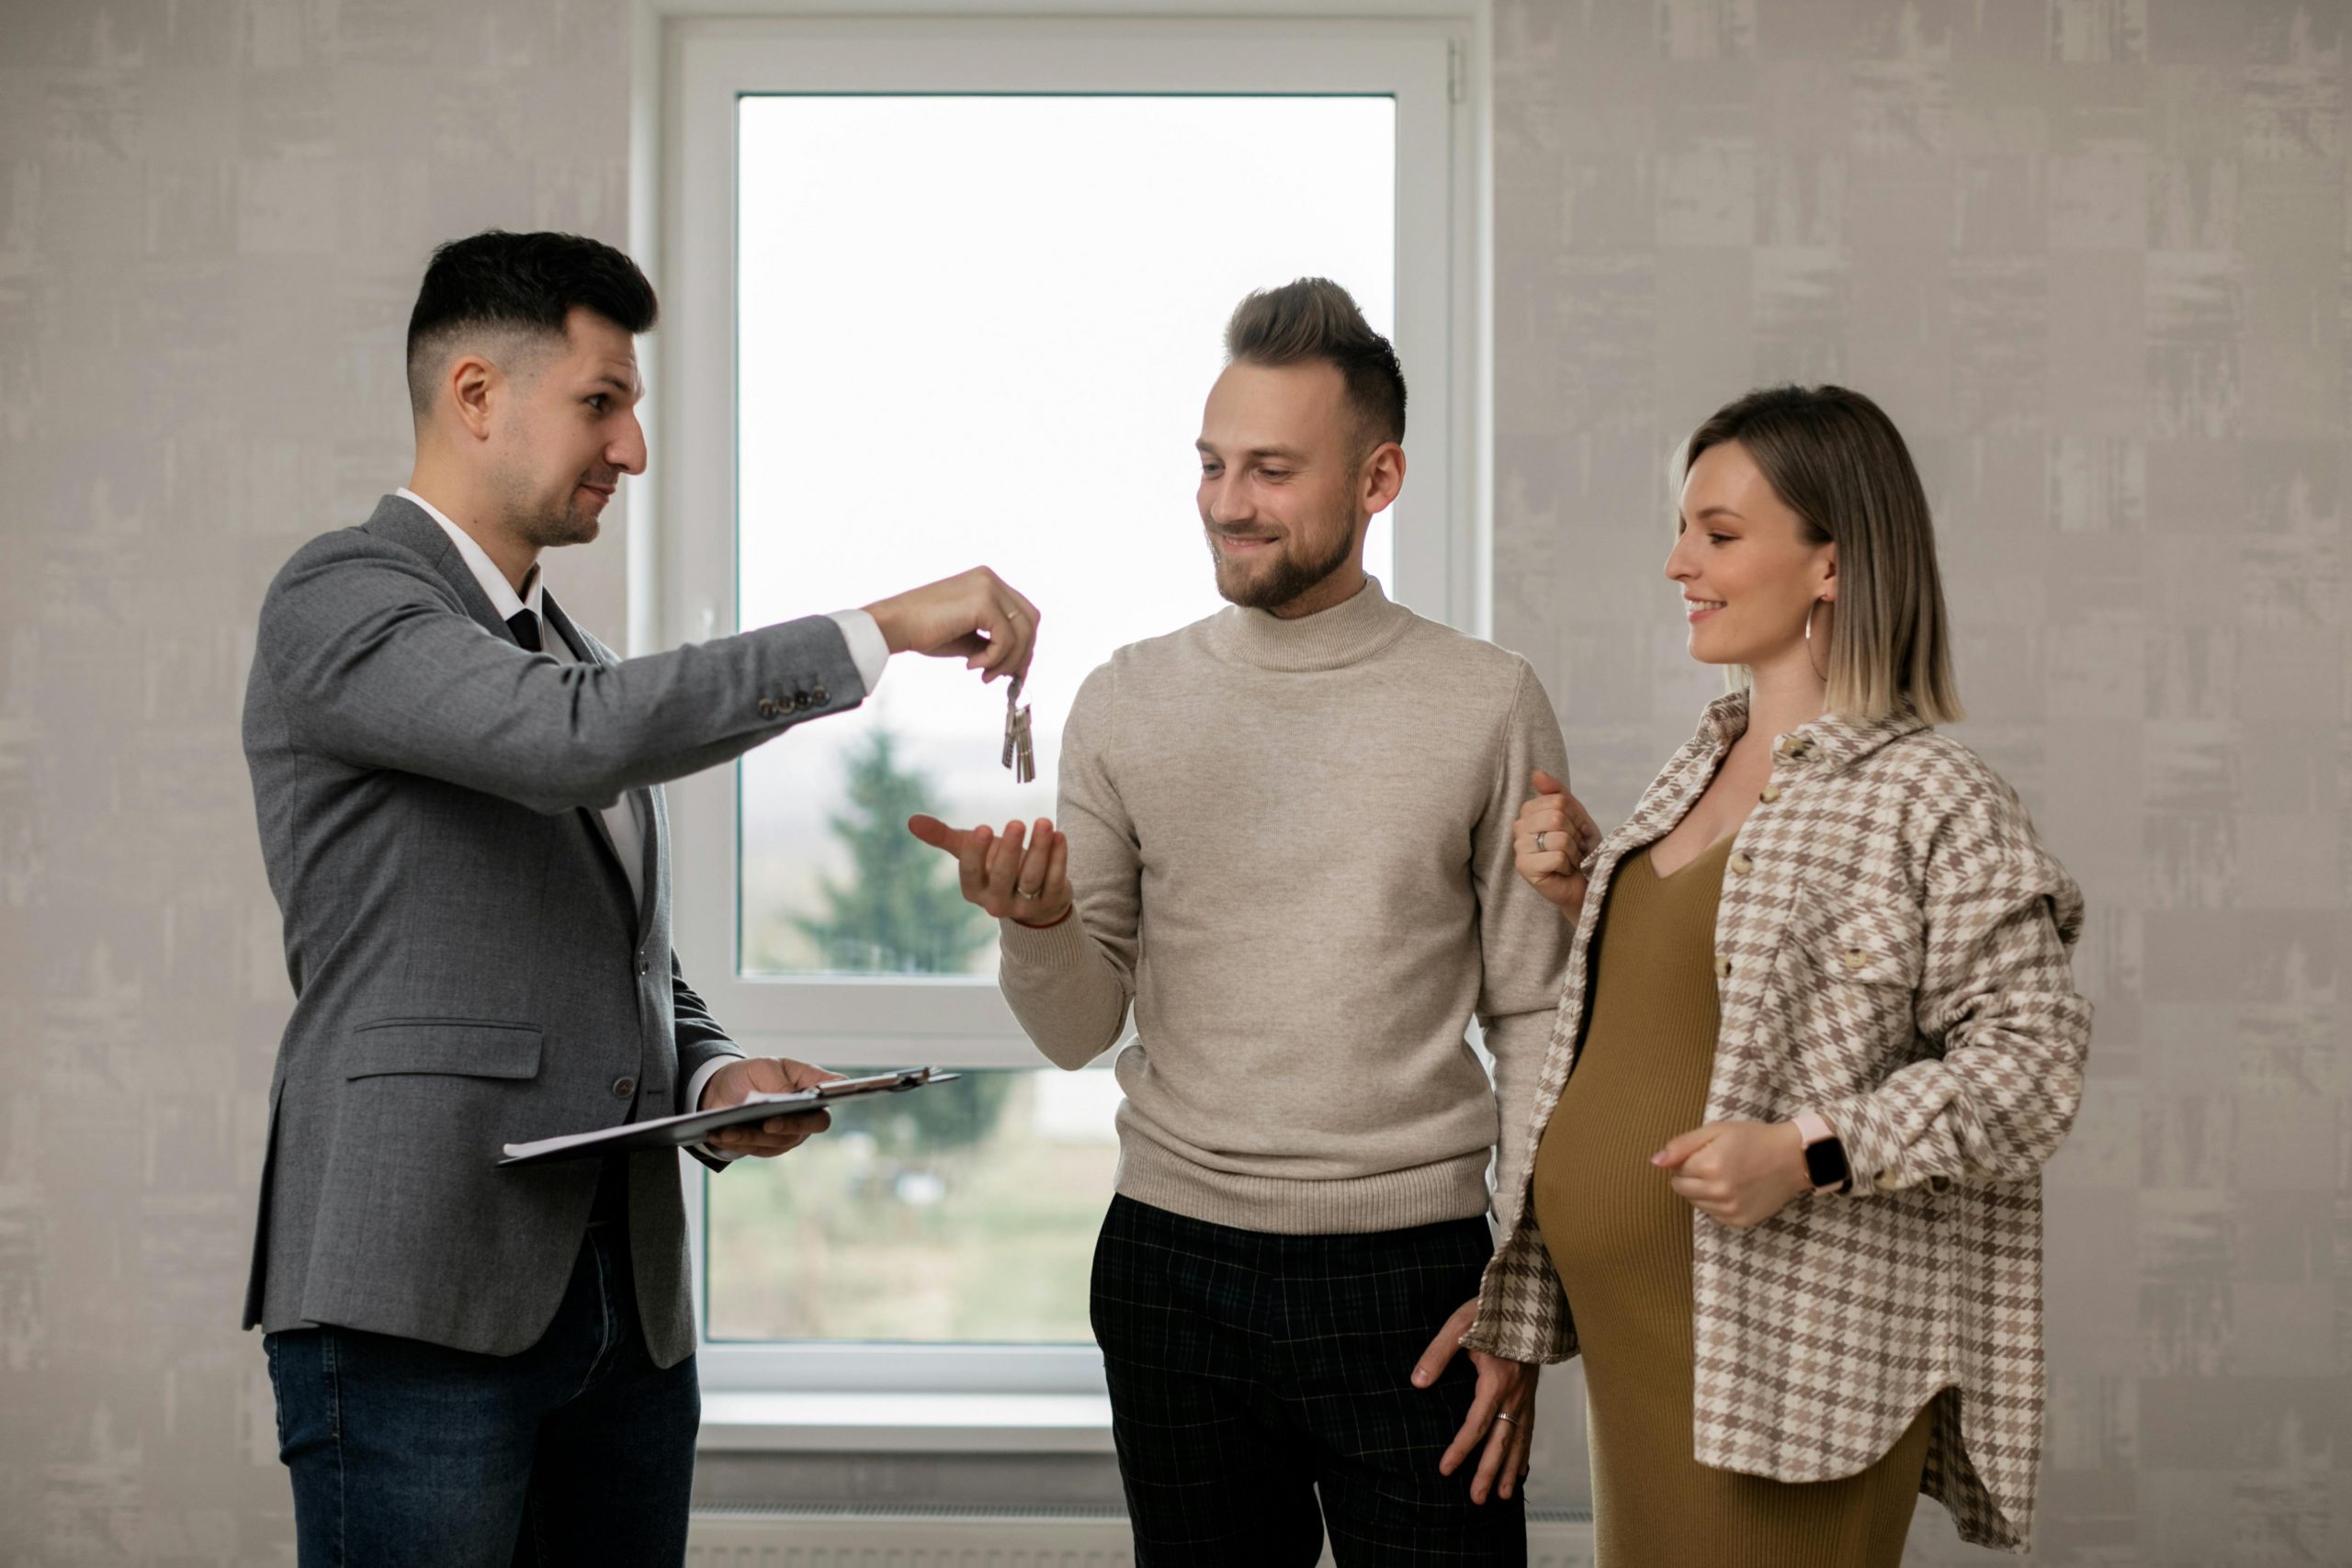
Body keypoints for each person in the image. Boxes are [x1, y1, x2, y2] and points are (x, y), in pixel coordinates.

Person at [241, 229, 1041, 1568]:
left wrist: (717, 1075)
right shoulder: (341, 598)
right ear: (477, 394)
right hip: (417, 1296)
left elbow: (621, 956)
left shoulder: (575, 658)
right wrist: (880, 627)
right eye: (602, 403)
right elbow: (577, 736)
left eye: (636, 409)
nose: (632, 449)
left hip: (625, 1316)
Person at [910, 278, 1598, 1566]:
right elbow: (1075, 1030)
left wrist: (1526, 1282)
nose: (1229, 501)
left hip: (1416, 1279)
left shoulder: (1486, 700)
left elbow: (1537, 1007)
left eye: (1272, 469)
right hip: (1172, 1269)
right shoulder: (1126, 701)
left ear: (1378, 475)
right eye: (1214, 464)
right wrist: (1038, 927)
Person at [1470, 385, 2092, 1563]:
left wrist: (1808, 1152)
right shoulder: (1698, 764)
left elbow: (2032, 1073)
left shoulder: (1932, 796)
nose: (1676, 563)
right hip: (1648, 1347)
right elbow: (1726, 999)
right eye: (1682, 530)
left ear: (1829, 566)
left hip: (1788, 1370)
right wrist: (1591, 890)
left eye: (1717, 533)